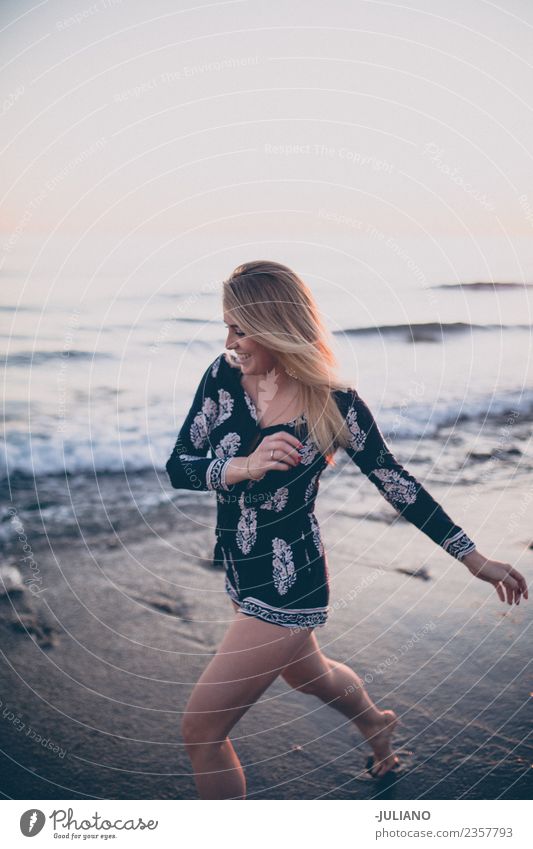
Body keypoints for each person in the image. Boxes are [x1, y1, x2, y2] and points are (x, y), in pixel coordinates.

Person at [165, 260, 528, 800]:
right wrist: (241, 465)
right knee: (308, 674)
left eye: (240, 328)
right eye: (227, 325)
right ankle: (376, 722)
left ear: (277, 326)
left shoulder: (335, 406)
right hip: (240, 568)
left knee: (202, 733)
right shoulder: (222, 376)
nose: (230, 340)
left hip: (289, 584)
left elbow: (397, 484)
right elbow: (180, 464)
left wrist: (473, 558)